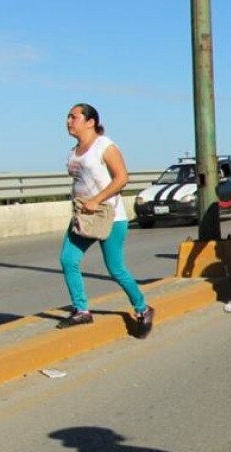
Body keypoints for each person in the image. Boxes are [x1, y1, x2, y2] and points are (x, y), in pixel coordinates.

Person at [59, 103, 154, 337]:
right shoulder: (73, 151)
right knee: (68, 259)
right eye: (68, 117)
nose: (69, 121)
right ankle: (81, 310)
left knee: (115, 268)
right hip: (84, 216)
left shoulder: (105, 145)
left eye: (74, 117)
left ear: (90, 122)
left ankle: (143, 308)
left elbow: (122, 178)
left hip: (109, 216)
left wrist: (96, 199)